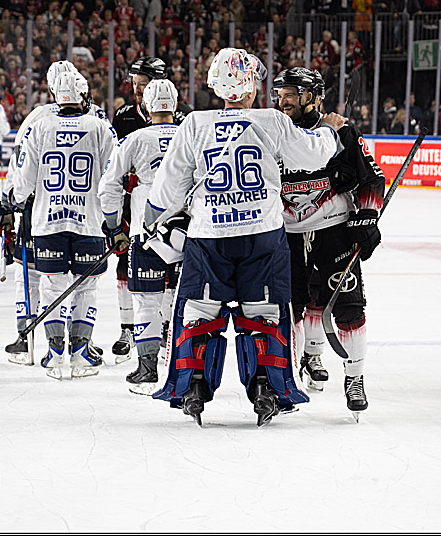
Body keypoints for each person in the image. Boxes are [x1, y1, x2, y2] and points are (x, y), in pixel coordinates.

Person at [145, 48, 346, 427]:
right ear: (253, 84)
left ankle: (194, 385)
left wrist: (151, 219)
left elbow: (168, 188)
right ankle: (267, 388)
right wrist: (330, 131)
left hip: (208, 236)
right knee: (266, 313)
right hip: (263, 236)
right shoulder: (271, 120)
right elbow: (311, 155)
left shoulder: (194, 124)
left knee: (199, 311)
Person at [272, 67, 385, 419]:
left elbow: (371, 177)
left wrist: (366, 218)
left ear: (315, 97)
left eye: (292, 92)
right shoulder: (273, 131)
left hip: (333, 228)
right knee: (292, 306)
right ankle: (294, 370)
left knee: (347, 304)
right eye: (281, 93)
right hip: (286, 233)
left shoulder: (342, 130)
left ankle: (354, 378)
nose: (283, 99)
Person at [12, 69, 117, 378]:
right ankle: (82, 352)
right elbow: (114, 175)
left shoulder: (40, 125)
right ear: (84, 95)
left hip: (48, 221)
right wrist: (114, 217)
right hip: (90, 222)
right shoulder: (99, 126)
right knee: (86, 286)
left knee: (51, 285)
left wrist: (14, 201)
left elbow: (23, 178)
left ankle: (56, 353)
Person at [99, 77, 182, 393]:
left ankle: (147, 368)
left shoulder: (133, 139)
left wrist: (114, 226)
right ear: (175, 104)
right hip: (188, 233)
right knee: (183, 304)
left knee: (146, 302)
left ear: (146, 106)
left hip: (146, 233)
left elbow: (108, 187)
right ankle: (180, 368)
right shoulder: (194, 135)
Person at [108, 57, 193, 360]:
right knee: (127, 266)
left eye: (143, 84)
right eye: (135, 83)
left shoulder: (186, 120)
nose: (138, 89)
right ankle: (128, 327)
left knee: (171, 272)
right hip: (138, 205)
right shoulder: (124, 116)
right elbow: (114, 164)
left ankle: (166, 328)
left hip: (173, 209)